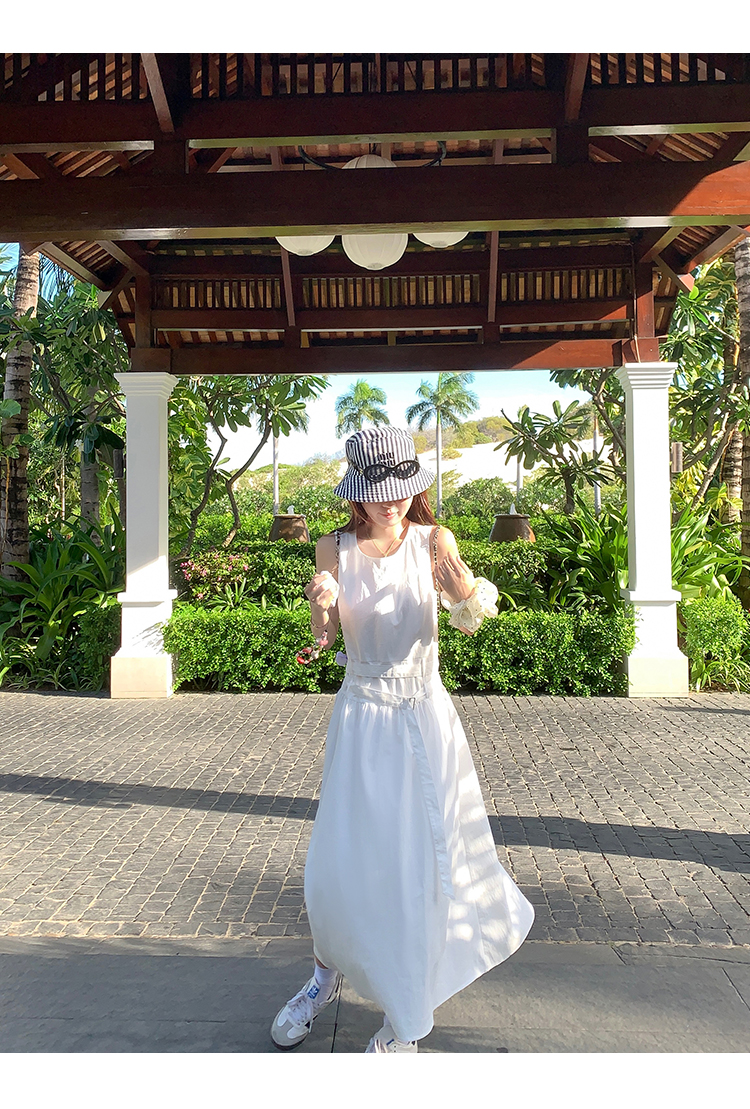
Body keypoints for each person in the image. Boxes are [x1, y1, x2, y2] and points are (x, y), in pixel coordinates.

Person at [271, 427, 534, 1053]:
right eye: (377, 491)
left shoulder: (433, 540)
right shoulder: (333, 548)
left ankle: (405, 1017)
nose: (391, 502)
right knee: (339, 862)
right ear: (356, 494)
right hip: (361, 719)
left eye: (401, 489)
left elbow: (471, 624)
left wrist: (465, 591)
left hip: (422, 718)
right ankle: (322, 980)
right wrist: (320, 606)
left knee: (416, 864)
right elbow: (325, 636)